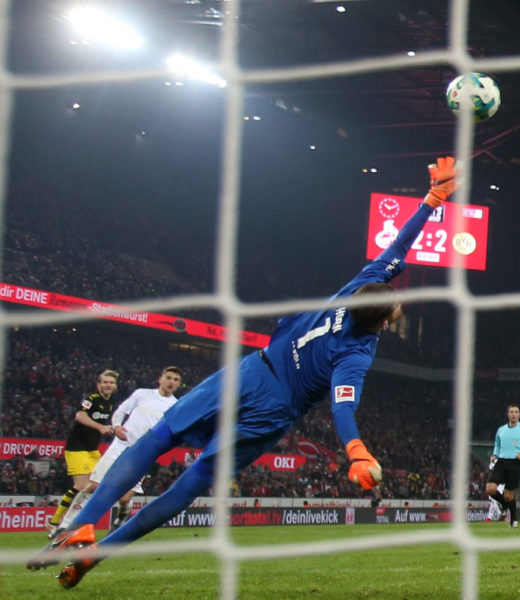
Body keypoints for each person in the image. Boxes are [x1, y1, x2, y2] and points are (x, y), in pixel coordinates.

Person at [33, 156, 460, 589]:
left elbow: (397, 249)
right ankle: (98, 552)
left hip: (252, 371)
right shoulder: (357, 352)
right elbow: (342, 404)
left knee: (158, 438)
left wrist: (431, 200)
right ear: (383, 323)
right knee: (191, 482)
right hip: (273, 407)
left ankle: (83, 525)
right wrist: (355, 449)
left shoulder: (356, 289)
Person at [54, 367, 183, 534]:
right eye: (169, 378)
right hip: (120, 445)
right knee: (92, 486)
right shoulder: (142, 394)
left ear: (179, 384)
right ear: (161, 379)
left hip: (143, 454)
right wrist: (116, 427)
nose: (171, 382)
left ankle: (120, 519)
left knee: (124, 498)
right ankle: (65, 525)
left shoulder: (175, 406)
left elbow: (172, 431)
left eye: (175, 380)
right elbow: (120, 412)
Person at [46, 370, 119, 537]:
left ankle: (75, 522)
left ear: (115, 386)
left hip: (92, 449)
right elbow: (80, 416)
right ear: (98, 385)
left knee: (96, 486)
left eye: (111, 383)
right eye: (105, 382)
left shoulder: (111, 402)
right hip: (77, 447)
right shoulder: (91, 399)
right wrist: (100, 427)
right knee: (81, 486)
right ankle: (54, 523)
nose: (108, 385)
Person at [485, 404, 520, 528]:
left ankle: (513, 520)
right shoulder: (501, 430)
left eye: (516, 412)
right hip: (501, 461)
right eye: (511, 412)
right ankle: (503, 505)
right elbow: (497, 444)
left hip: (515, 463)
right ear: (508, 414)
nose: (514, 414)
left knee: (508, 494)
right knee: (490, 488)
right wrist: (495, 454)